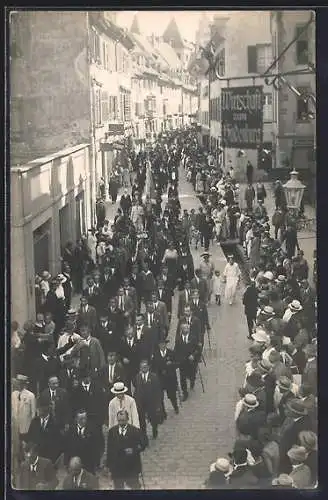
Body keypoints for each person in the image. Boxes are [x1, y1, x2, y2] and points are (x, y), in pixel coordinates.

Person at [106, 409, 147, 490]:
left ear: (127, 419)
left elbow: (144, 443)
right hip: (117, 467)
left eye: (123, 420)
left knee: (135, 487)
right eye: (119, 420)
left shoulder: (135, 431)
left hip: (131, 466)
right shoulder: (112, 432)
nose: (121, 423)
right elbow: (109, 449)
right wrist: (108, 466)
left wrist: (134, 450)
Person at [133, 359, 163, 442]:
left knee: (153, 418)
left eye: (145, 367)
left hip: (151, 402)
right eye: (142, 367)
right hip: (141, 402)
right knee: (142, 420)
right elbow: (136, 389)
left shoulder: (154, 377)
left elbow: (157, 391)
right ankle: (144, 435)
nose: (143, 369)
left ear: (148, 367)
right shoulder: (138, 377)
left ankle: (154, 429)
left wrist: (158, 404)